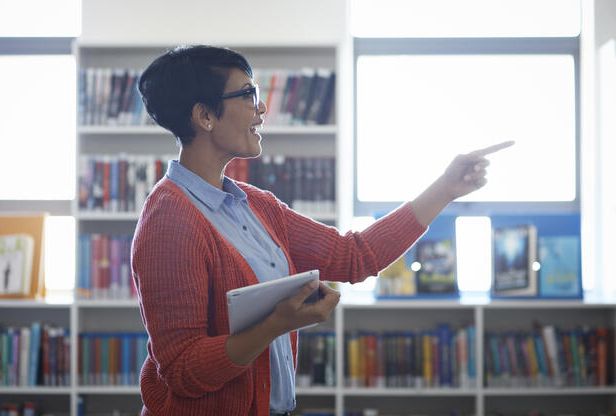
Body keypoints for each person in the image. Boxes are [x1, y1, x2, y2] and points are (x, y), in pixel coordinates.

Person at [131, 44, 513, 416]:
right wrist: (278, 324)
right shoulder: (170, 218)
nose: (261, 107)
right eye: (248, 94)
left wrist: (446, 188)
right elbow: (183, 371)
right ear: (204, 115)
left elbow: (353, 256)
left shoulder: (258, 204)